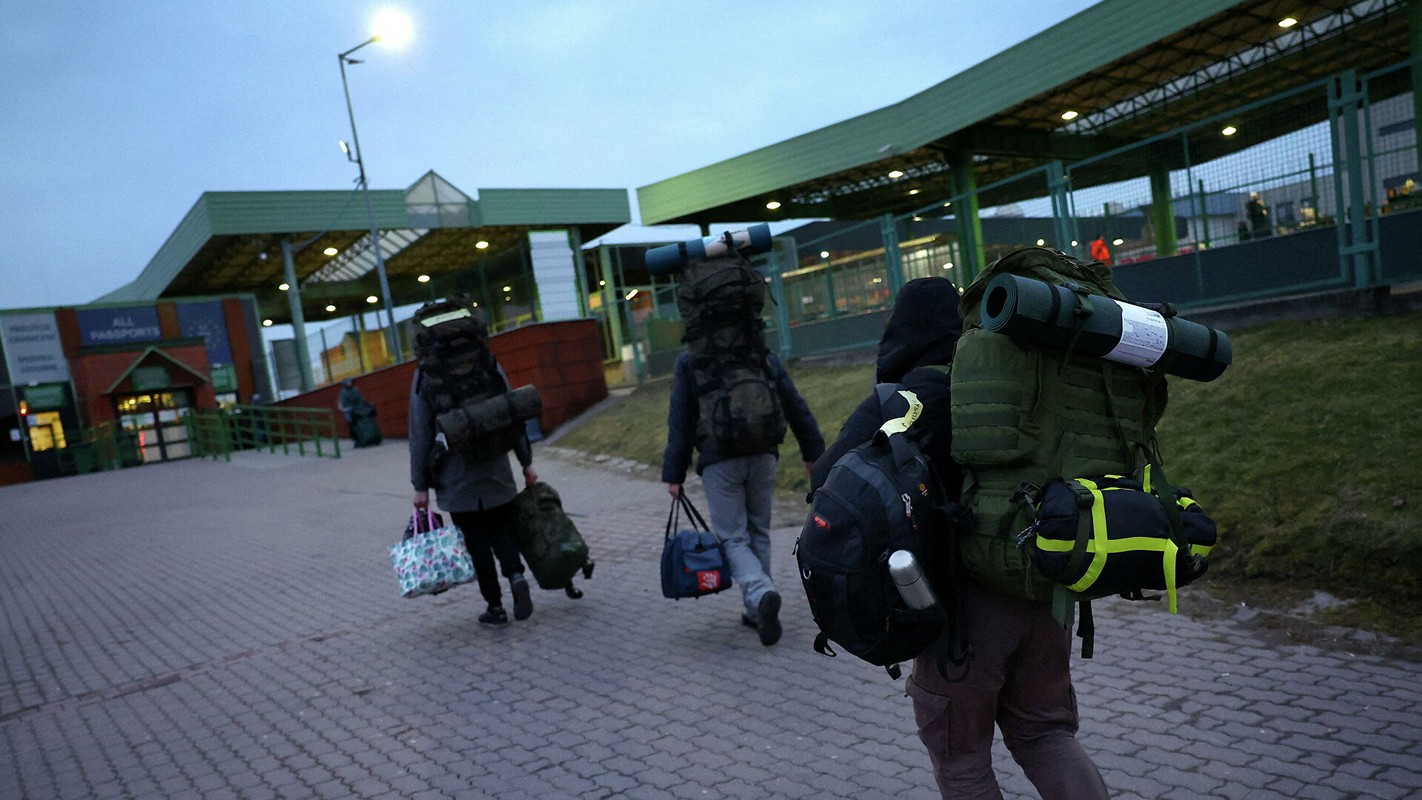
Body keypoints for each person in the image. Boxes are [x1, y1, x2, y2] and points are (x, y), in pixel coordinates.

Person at [810, 276, 1110, 800]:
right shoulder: (1009, 387)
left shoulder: (900, 399)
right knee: (1046, 736)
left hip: (963, 617)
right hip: (1042, 589)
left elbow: (825, 483)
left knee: (964, 762)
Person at [662, 349, 824, 647]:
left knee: (732, 538)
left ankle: (761, 592)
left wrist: (675, 473)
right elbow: (793, 401)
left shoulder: (692, 359)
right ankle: (757, 611)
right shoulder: (757, 351)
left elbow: (680, 418)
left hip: (719, 461)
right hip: (763, 453)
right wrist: (813, 451)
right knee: (759, 530)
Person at [407, 305, 537, 627]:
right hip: (495, 464)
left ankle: (495, 607)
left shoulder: (426, 374)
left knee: (476, 541)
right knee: (501, 528)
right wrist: (525, 463)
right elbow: (511, 411)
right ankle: (517, 576)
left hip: (455, 474)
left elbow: (420, 433)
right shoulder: (487, 362)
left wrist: (419, 485)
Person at [338, 379, 369, 443]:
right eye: (348, 383)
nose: (349, 384)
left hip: (357, 409)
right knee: (351, 423)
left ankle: (365, 436)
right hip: (348, 410)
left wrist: (363, 404)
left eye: (350, 382)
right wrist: (348, 409)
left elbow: (361, 399)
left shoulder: (355, 390)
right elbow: (343, 404)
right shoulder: (343, 392)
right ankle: (355, 437)